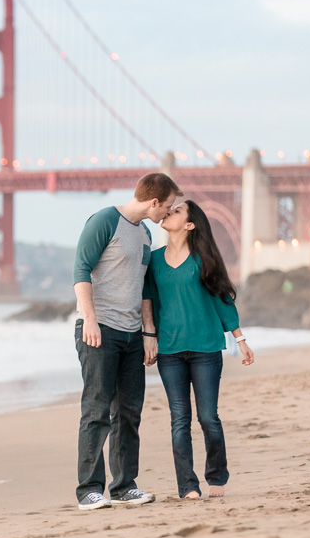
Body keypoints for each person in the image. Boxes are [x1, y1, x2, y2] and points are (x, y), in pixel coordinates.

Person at [73, 172, 182, 510]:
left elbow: (144, 288)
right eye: (166, 207)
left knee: (129, 413)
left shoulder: (146, 234)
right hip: (99, 330)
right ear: (153, 201)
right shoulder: (104, 221)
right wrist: (90, 319)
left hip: (133, 334)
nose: (167, 213)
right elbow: (80, 270)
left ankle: (124, 486)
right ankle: (89, 490)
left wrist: (149, 332)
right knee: (97, 410)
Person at [141, 200, 255, 500]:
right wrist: (148, 335)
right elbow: (148, 300)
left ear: (189, 225)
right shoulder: (153, 261)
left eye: (177, 211)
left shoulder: (204, 259)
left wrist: (240, 339)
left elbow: (222, 299)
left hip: (206, 349)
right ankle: (187, 486)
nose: (169, 212)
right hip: (170, 351)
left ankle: (217, 476)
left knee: (208, 417)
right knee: (179, 419)